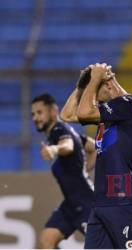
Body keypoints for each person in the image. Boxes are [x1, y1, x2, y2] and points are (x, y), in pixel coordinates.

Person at [61, 63, 132, 249]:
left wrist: (94, 79)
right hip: (101, 204)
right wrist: (81, 86)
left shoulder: (130, 106)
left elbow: (84, 112)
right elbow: (67, 116)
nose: (92, 98)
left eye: (95, 92)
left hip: (123, 201)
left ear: (108, 85)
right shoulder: (108, 114)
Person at [31, 93, 95, 249]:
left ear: (53, 111)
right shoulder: (65, 132)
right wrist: (83, 171)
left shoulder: (59, 130)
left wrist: (54, 149)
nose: (35, 118)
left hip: (86, 203)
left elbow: (68, 146)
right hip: (70, 204)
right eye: (33, 114)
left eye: (40, 112)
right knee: (47, 239)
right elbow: (94, 148)